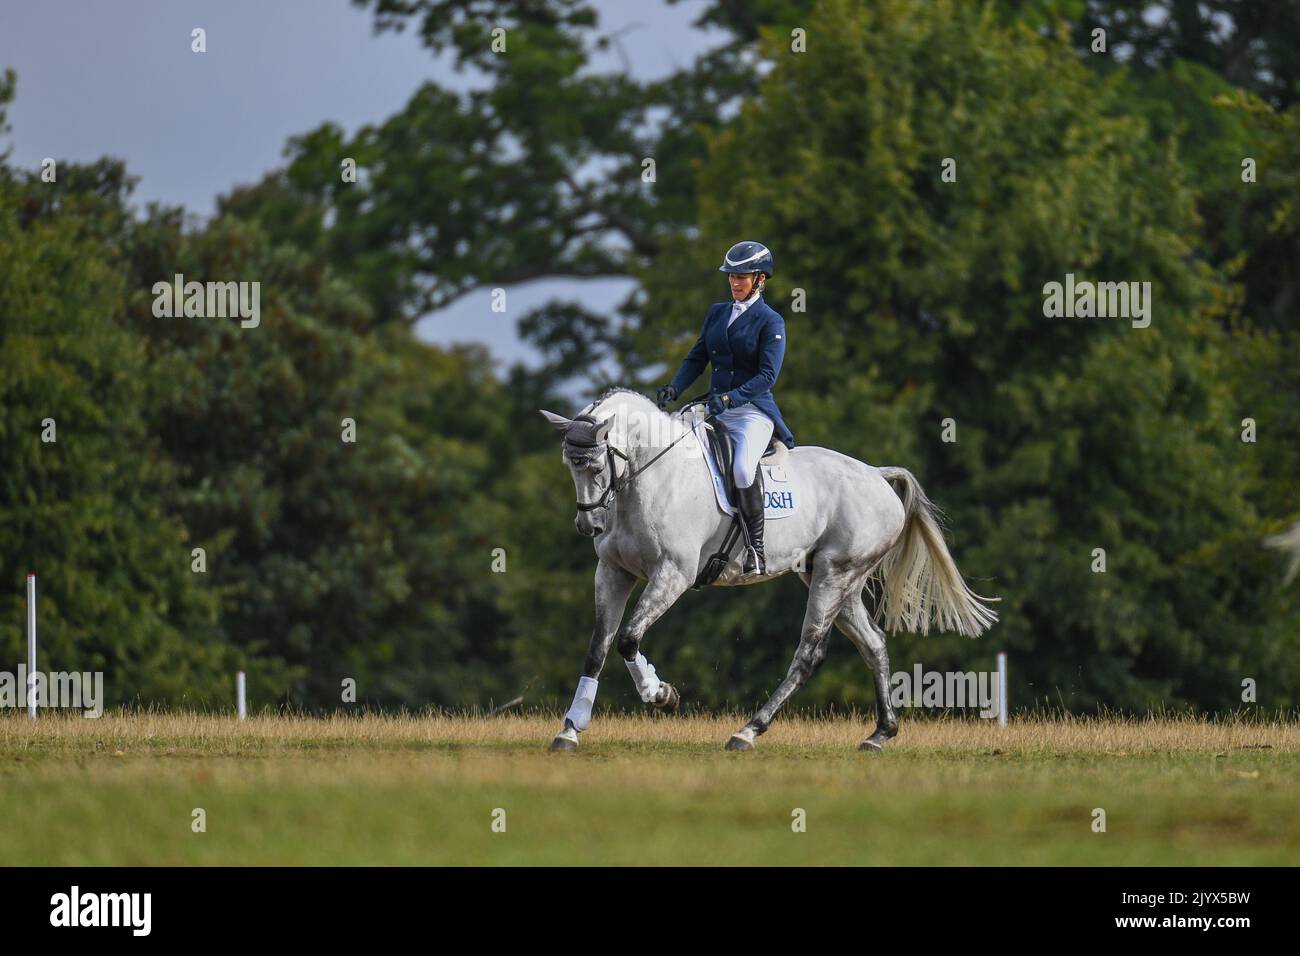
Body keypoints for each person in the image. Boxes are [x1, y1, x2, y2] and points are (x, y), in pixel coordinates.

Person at [656, 240, 795, 576]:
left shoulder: (770, 321)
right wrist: (675, 386)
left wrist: (731, 398)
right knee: (671, 449)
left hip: (751, 412)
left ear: (760, 279)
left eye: (742, 277)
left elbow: (767, 376)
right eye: (731, 276)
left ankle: (756, 549)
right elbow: (697, 358)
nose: (734, 282)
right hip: (713, 408)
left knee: (744, 469)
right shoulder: (718, 312)